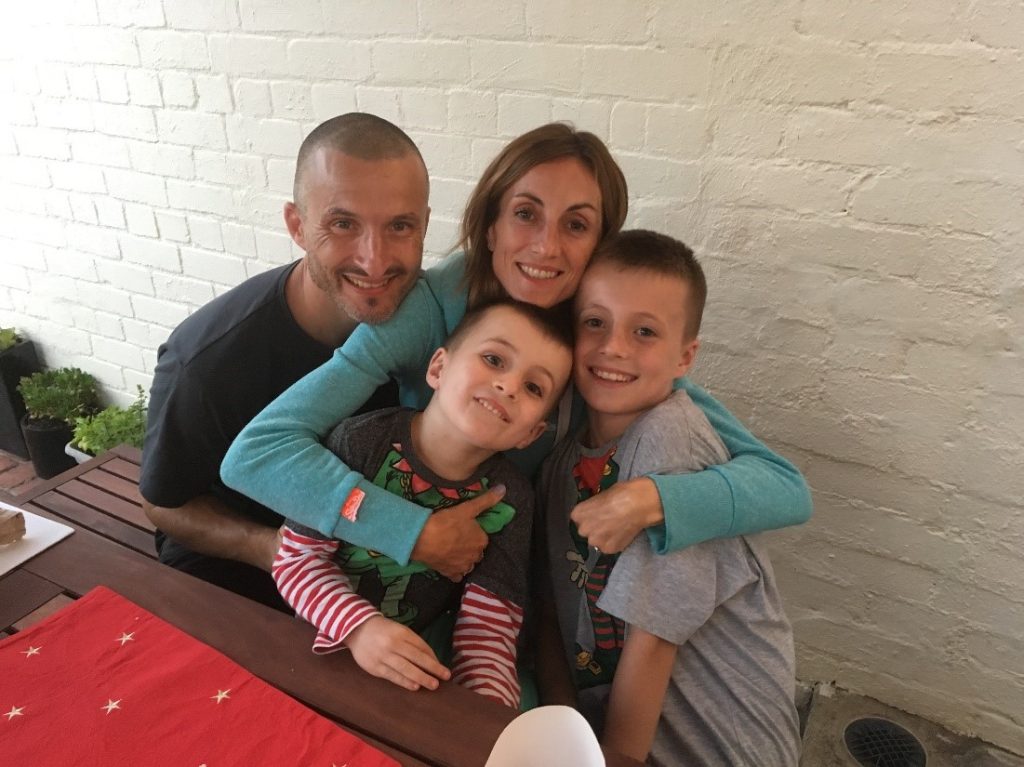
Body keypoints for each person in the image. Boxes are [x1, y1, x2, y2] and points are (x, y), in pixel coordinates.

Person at [221, 122, 811, 592]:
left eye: (576, 225)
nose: (546, 246)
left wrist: (654, 499)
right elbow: (257, 453)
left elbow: (782, 484)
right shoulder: (429, 309)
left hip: (522, 590)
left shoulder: (602, 336)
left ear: (601, 244)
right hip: (398, 578)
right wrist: (408, 529)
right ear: (491, 223)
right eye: (526, 214)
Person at [140, 113, 491, 609]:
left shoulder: (439, 325)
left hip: (384, 574)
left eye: (399, 226)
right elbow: (164, 503)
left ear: (425, 225)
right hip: (243, 585)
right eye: (343, 224)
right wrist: (273, 551)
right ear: (297, 225)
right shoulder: (207, 360)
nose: (374, 260)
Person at [537, 230, 800, 766]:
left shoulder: (670, 437)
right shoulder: (567, 457)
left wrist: (612, 758)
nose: (613, 347)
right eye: (595, 322)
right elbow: (548, 611)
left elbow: (654, 640)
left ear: (686, 357)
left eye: (644, 332)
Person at [274, 300, 573, 708]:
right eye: (493, 359)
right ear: (438, 368)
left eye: (534, 387)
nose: (509, 386)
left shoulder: (513, 499)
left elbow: (487, 630)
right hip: (319, 639)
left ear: (532, 433)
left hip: (417, 661)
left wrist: (484, 715)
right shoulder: (359, 442)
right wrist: (360, 629)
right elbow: (295, 561)